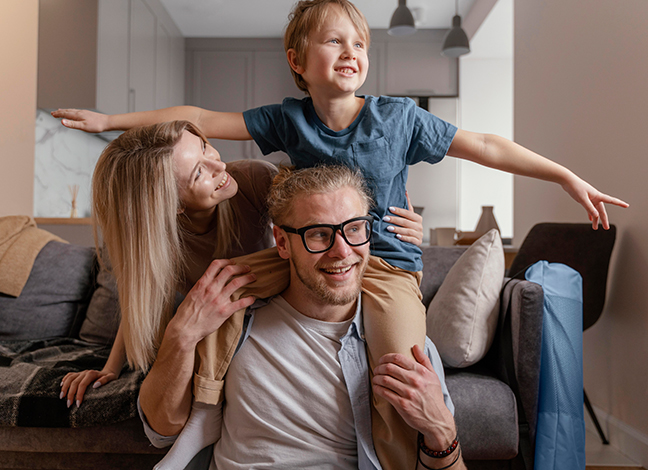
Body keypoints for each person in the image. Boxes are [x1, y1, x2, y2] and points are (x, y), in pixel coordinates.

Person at [53, 0, 628, 466]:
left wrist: (564, 176)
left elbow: (484, 145)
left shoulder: (399, 118)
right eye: (334, 41)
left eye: (359, 43)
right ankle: (203, 416)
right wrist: (109, 123)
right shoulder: (286, 120)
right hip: (307, 257)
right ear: (297, 59)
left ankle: (399, 460)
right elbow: (197, 119)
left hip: (386, 266)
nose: (351, 51)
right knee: (220, 288)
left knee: (404, 365)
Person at [58, 120, 423, 413]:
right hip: (218, 320)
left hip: (275, 308)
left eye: (204, 147)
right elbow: (142, 296)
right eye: (199, 173)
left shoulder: (252, 179)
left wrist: (398, 233)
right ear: (172, 206)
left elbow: (326, 215)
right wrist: (110, 368)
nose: (220, 165)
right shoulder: (153, 243)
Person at [145, 164, 466, 470]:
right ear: (282, 242)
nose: (342, 251)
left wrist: (442, 431)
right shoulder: (230, 324)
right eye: (319, 234)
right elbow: (161, 431)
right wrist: (181, 336)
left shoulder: (406, 346)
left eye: (354, 229)